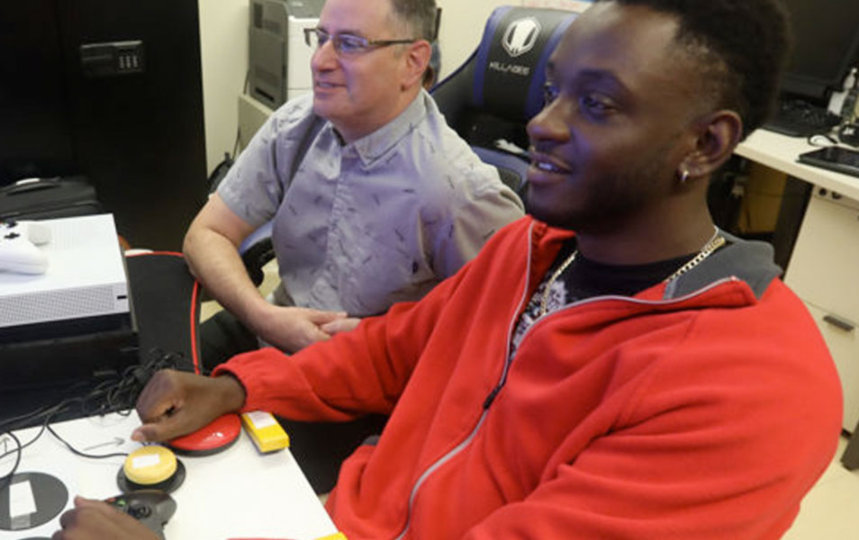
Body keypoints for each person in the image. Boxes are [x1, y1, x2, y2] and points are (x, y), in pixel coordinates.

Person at [55, 0, 843, 538]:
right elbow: (390, 350)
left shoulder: (752, 388)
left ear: (704, 145)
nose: (542, 123)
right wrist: (241, 386)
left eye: (597, 105)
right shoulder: (526, 251)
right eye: (554, 89)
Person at [190, 0, 523, 365]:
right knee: (144, 381)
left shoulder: (460, 192)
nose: (319, 61)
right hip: (272, 325)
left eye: (349, 44)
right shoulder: (295, 126)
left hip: (360, 375)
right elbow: (206, 234)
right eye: (320, 38)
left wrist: (376, 344)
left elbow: (498, 338)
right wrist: (264, 317)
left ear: (412, 62)